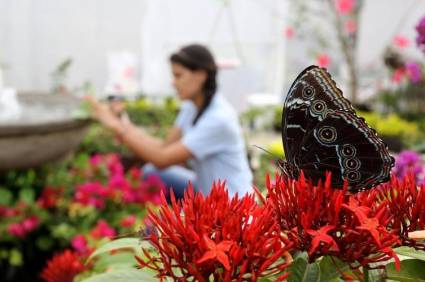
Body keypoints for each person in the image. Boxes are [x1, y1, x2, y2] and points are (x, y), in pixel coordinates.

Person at [86, 44, 253, 198]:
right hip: (206, 191)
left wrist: (115, 126)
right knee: (151, 172)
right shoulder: (192, 107)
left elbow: (162, 158)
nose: (173, 83)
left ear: (201, 76)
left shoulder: (219, 119)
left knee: (156, 183)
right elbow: (163, 146)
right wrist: (122, 122)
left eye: (178, 75)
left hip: (233, 204)